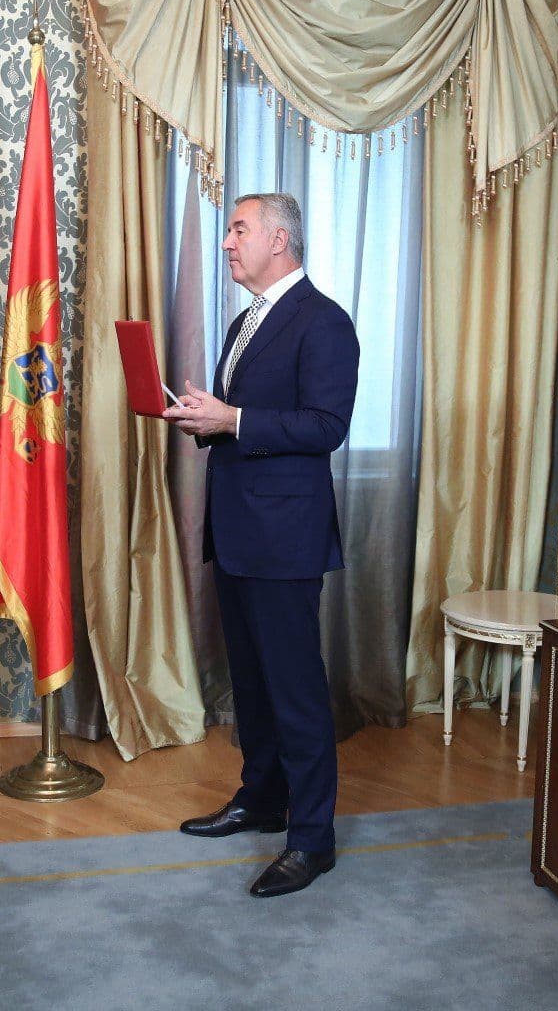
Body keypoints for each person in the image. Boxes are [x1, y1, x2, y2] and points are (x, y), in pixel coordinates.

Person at [163, 192, 359, 897]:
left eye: (238, 229)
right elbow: (242, 421)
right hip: (239, 533)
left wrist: (234, 419)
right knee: (251, 683)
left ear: (279, 239)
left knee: (295, 691)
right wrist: (207, 420)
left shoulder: (324, 320)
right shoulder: (246, 320)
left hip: (285, 540)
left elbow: (326, 426)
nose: (227, 243)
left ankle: (312, 839)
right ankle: (262, 799)